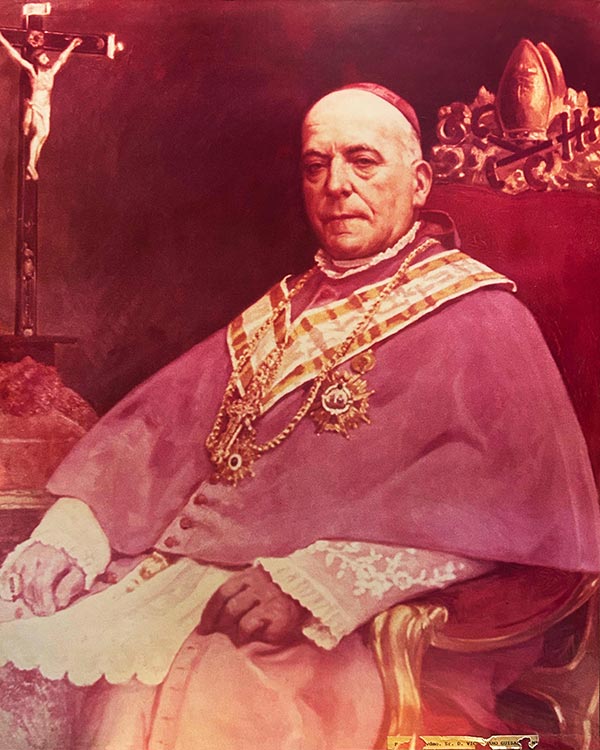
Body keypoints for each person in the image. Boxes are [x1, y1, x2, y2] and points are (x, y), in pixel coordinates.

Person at [0, 84, 599, 750]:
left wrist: (312, 587)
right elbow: (154, 435)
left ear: (420, 182)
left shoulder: (485, 319)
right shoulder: (284, 308)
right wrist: (70, 536)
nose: (336, 185)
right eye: (316, 165)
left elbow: (508, 508)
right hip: (191, 587)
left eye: (362, 161)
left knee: (197, 696)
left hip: (357, 633)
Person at [0, 33, 82, 180]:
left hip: (46, 108)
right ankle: (30, 164)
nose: (47, 59)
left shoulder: (50, 73)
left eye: (46, 57)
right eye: (44, 58)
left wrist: (72, 45)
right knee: (39, 133)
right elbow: (16, 57)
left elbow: (61, 59)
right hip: (36, 106)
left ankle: (30, 169)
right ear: (37, 60)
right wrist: (1, 39)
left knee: (44, 136)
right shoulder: (33, 72)